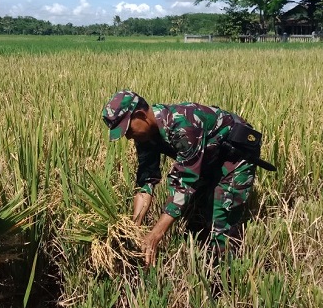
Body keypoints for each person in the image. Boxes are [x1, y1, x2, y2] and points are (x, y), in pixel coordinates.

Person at [102, 90, 275, 265]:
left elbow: (183, 184)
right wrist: (133, 227)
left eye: (128, 130)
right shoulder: (145, 136)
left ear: (140, 115)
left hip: (236, 156)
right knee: (196, 219)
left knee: (221, 220)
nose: (129, 137)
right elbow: (147, 181)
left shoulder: (182, 125)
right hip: (208, 156)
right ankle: (203, 263)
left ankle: (226, 277)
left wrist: (156, 234)